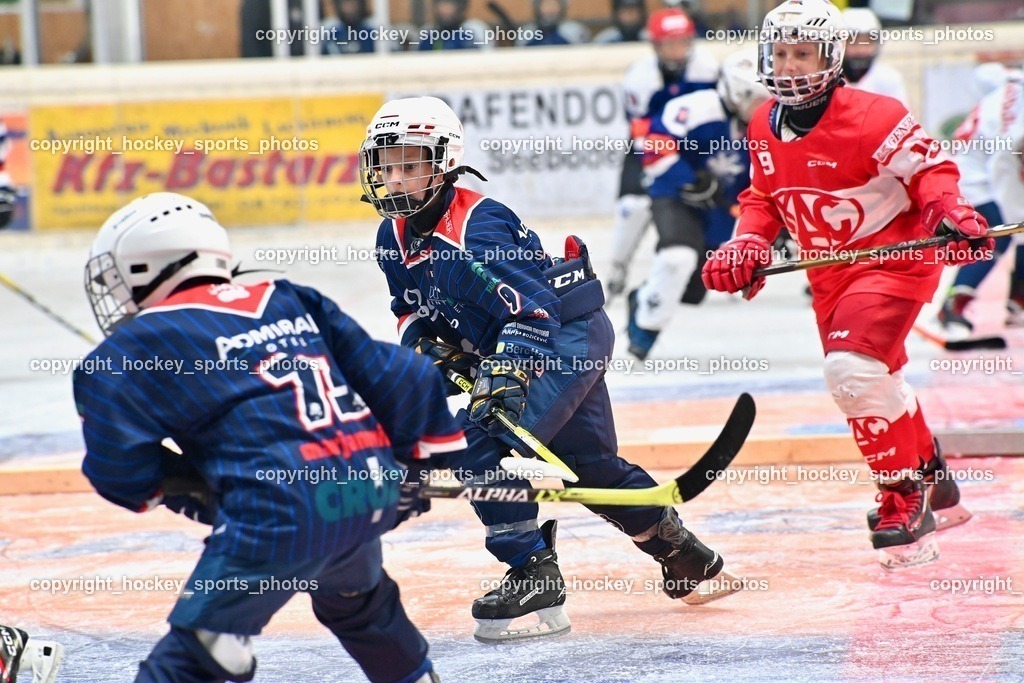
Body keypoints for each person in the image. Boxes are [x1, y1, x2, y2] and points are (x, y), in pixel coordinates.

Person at [360, 96, 739, 643]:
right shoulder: (391, 237)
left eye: (410, 164)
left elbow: (533, 310)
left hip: (563, 336)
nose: (395, 179)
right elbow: (409, 309)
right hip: (526, 338)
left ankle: (533, 571)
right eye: (387, 165)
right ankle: (683, 553)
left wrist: (505, 372)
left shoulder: (477, 225)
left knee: (474, 440)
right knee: (588, 466)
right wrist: (425, 345)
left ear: (444, 163)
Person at [73, 192, 465, 682]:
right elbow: (408, 376)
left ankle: (222, 645)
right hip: (367, 491)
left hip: (277, 512)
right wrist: (415, 466)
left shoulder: (129, 347)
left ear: (143, 269)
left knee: (200, 650)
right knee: (361, 607)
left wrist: (197, 489)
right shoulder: (288, 296)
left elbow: (122, 475)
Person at [701, 0, 986, 570]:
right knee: (877, 377)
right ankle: (937, 481)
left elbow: (931, 172)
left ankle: (904, 497)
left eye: (802, 53)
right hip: (828, 272)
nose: (788, 66)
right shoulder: (762, 122)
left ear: (832, 57)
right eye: (779, 53)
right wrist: (748, 241)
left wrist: (947, 213)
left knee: (852, 371)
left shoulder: (877, 116)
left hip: (894, 262)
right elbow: (763, 197)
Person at [626, 50, 771, 359]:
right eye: (759, 99)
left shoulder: (772, 122)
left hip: (721, 208)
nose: (766, 107)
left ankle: (643, 296)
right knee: (676, 258)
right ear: (737, 92)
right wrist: (691, 180)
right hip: (676, 196)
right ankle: (645, 331)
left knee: (694, 290)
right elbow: (653, 149)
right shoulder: (692, 108)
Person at [606, 7, 719, 301]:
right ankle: (618, 266)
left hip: (694, 147)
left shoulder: (708, 69)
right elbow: (644, 134)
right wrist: (673, 171)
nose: (677, 50)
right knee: (633, 206)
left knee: (716, 194)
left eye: (682, 41)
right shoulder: (640, 79)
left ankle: (721, 263)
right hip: (652, 146)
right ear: (655, 45)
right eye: (670, 43)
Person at [938, 64, 1024, 336]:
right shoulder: (1016, 97)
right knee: (1001, 232)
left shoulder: (1008, 91)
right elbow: (1006, 155)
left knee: (1012, 228)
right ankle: (954, 304)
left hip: (975, 170)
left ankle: (1017, 301)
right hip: (975, 177)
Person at [840, 8, 908, 106]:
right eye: (854, 42)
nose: (861, 50)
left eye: (868, 42)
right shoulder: (828, 81)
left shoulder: (889, 79)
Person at [417, 0, 489, 51]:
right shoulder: (426, 32)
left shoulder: (476, 30)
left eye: (450, 3)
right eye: (442, 3)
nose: (445, 9)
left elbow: (488, 60)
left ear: (462, 6)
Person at [517, 0, 589, 47]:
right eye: (546, 4)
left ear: (562, 6)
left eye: (554, 4)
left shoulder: (576, 30)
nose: (550, 8)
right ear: (537, 7)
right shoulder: (526, 32)